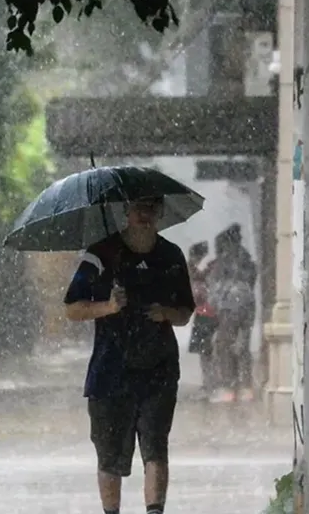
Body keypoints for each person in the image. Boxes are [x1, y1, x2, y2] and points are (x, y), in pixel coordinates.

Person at [64, 196, 195, 514]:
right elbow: (72, 307)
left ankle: (155, 510)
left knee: (155, 448)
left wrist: (166, 312)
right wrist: (107, 307)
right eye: (138, 206)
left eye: (151, 207)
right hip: (110, 373)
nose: (144, 214)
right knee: (109, 455)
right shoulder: (100, 254)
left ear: (161, 211)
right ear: (126, 211)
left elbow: (185, 311)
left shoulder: (171, 256)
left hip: (158, 370)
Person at [207, 223, 258, 403]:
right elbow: (251, 279)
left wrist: (213, 304)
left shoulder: (224, 260)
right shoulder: (246, 259)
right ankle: (246, 386)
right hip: (248, 305)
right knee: (243, 346)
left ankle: (229, 387)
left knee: (224, 346)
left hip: (229, 306)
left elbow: (215, 286)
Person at [187, 241, 218, 396]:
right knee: (206, 352)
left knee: (207, 352)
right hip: (206, 313)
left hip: (207, 314)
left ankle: (210, 384)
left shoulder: (203, 270)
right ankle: (209, 383)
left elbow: (198, 293)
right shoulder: (200, 271)